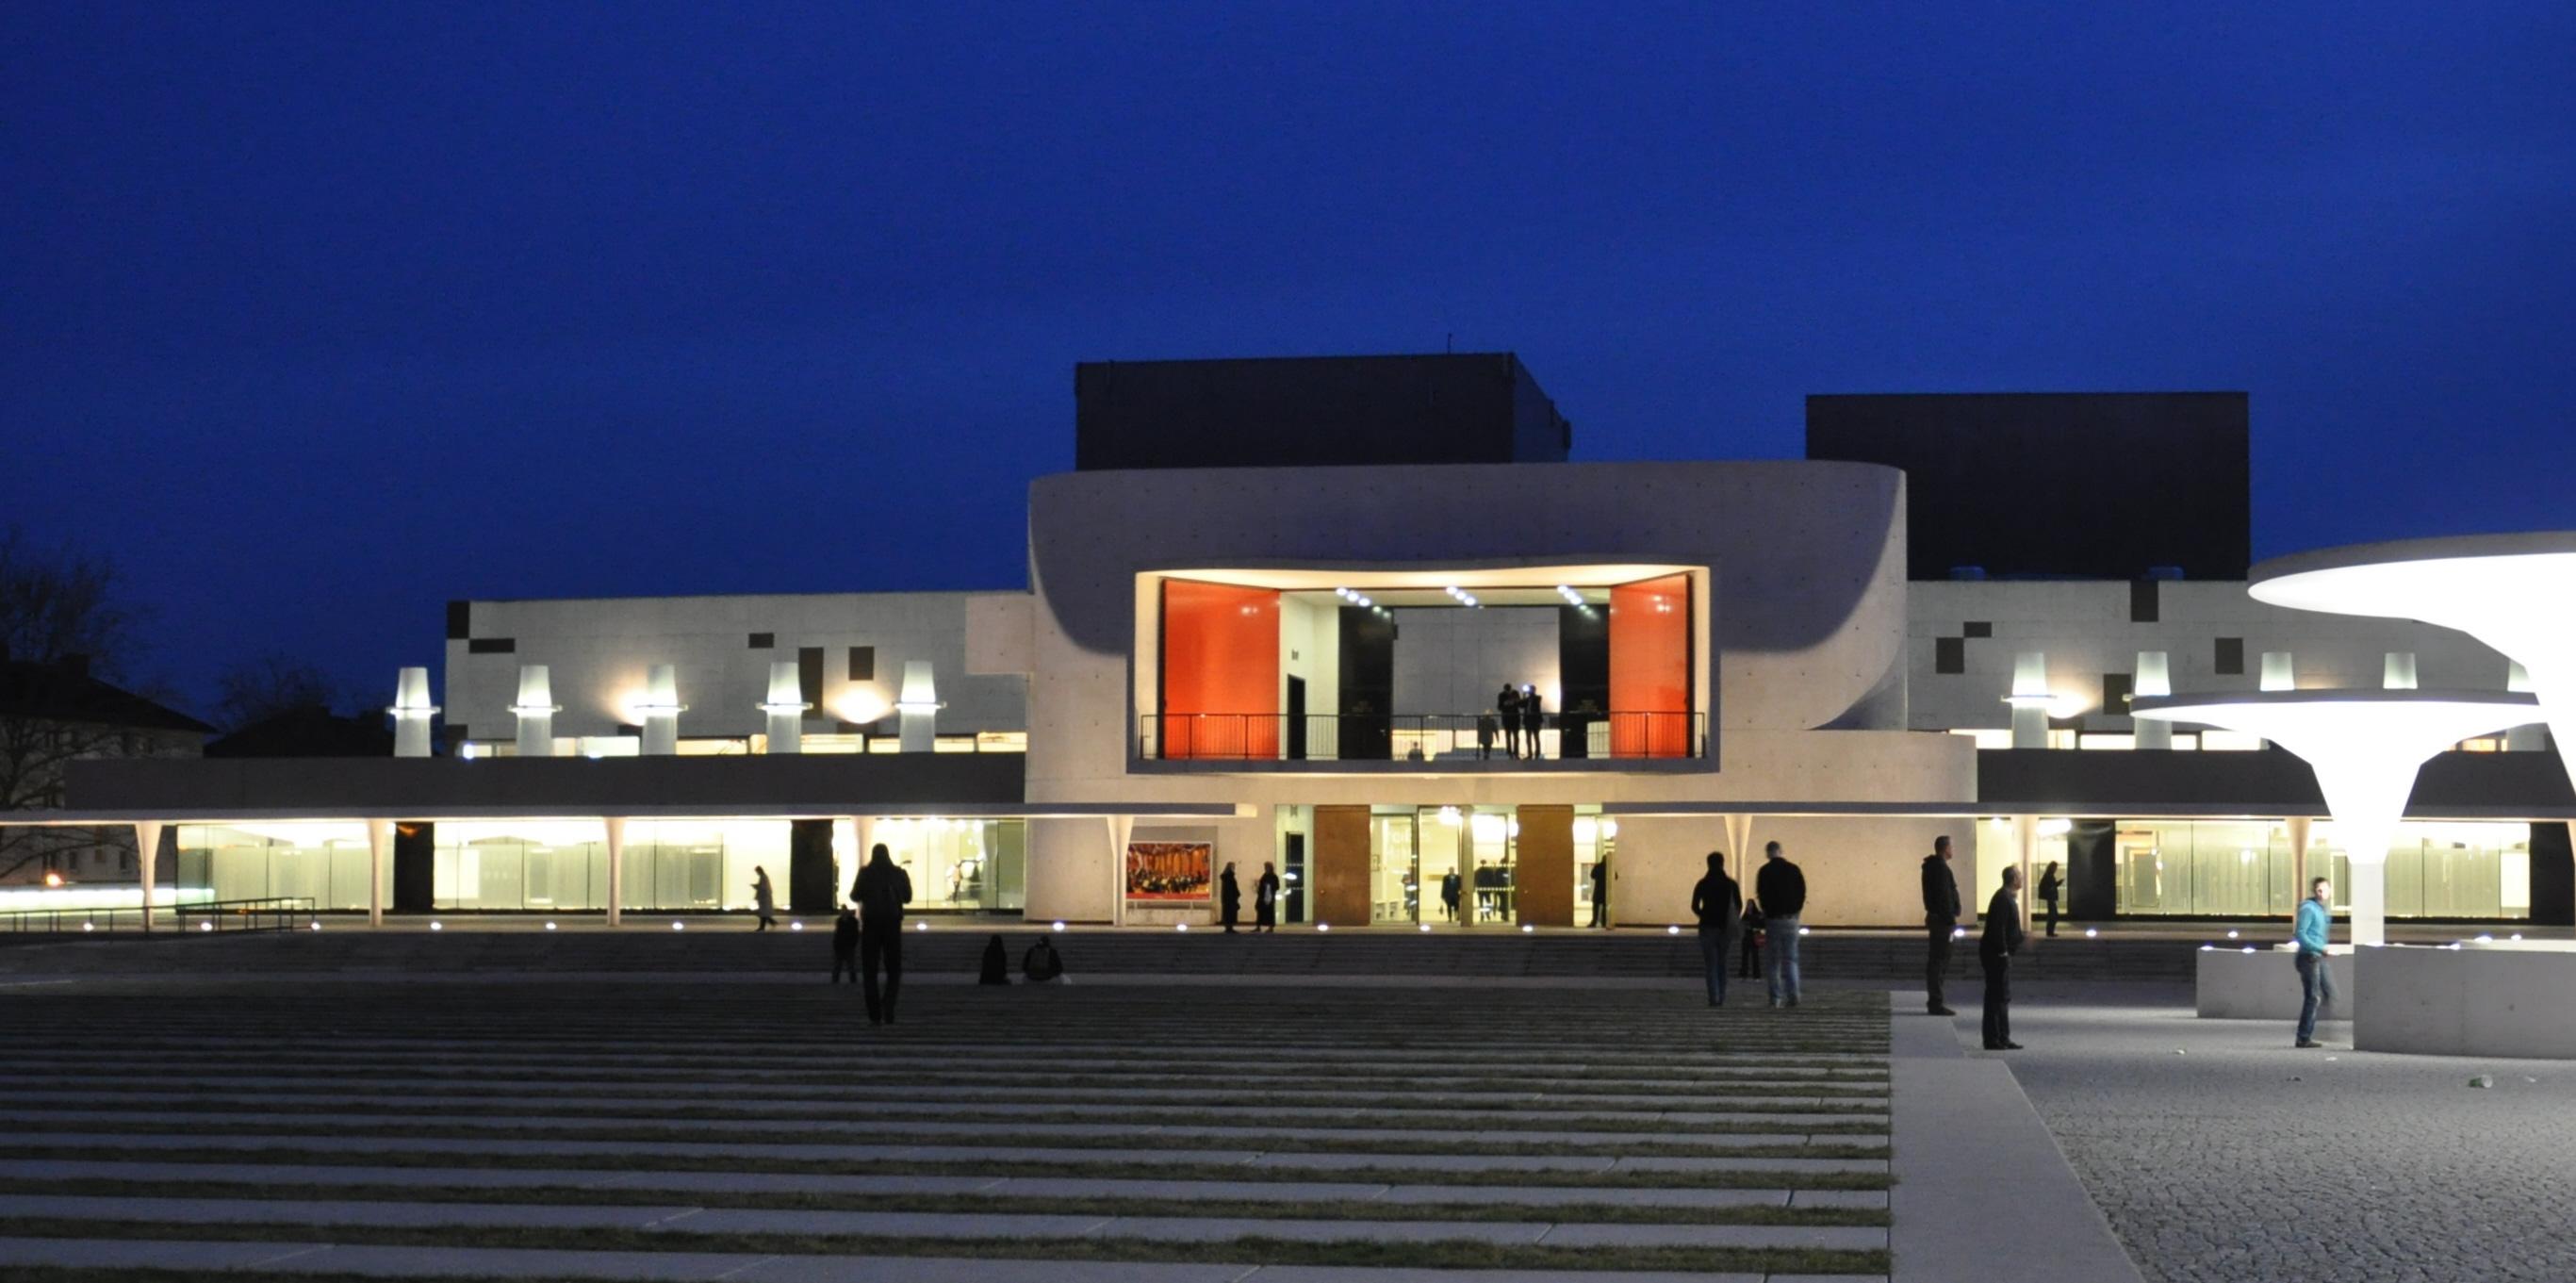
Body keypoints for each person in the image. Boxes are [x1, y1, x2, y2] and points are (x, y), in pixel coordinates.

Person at [851, 843, 912, 1026]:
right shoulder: (898, 873)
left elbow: (855, 896)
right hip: (892, 925)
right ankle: (889, 1005)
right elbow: (908, 897)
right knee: (894, 970)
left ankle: (874, 1013)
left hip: (871, 925)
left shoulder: (865, 873)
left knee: (870, 972)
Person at [1753, 842, 1806, 1008]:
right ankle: (1794, 995)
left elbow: (1761, 894)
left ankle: (1775, 998)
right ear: (1781, 852)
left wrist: (1767, 911)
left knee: (1773, 962)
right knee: (1791, 960)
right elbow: (1801, 892)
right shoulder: (1794, 869)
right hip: (1791, 919)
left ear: (1768, 853)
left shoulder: (1764, 871)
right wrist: (1796, 912)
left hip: (1773, 920)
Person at [1980, 865, 2026, 1050]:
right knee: (1996, 996)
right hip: (1996, 955)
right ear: (2013, 879)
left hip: (2000, 953)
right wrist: (2003, 951)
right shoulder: (2003, 898)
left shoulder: (2007, 898)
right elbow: (1997, 928)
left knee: (2003, 996)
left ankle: (2003, 1036)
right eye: (2020, 876)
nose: (2022, 879)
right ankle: (1993, 1038)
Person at [1689, 851, 1743, 1007]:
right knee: (1722, 962)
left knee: (1710, 964)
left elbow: (1694, 905)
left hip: (1707, 926)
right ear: (1722, 863)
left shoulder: (1703, 883)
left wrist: (1703, 915)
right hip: (1725, 927)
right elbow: (1739, 905)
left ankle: (1714, 997)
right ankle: (1722, 996)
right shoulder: (1731, 884)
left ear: (1708, 864)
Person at [2294, 877, 2337, 1048]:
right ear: (2314, 891)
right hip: (2309, 957)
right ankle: (2304, 1036)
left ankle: (2312, 1030)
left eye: (2324, 889)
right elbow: (2301, 934)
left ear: (2329, 890)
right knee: (2313, 997)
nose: (2322, 893)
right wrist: (2321, 948)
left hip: (2316, 955)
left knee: (2324, 993)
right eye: (2319, 890)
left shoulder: (2322, 910)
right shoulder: (2309, 909)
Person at [1921, 836, 1961, 1016]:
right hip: (1943, 923)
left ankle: (1935, 1001)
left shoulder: (1931, 867)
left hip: (1937, 920)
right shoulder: (1941, 869)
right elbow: (1945, 896)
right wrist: (1951, 920)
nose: (1954, 849)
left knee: (1937, 961)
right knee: (1939, 961)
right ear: (1945, 848)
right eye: (1952, 846)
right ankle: (1936, 1002)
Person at [1738, 898, 1766, 979]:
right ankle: (1743, 974)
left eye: (1750, 904)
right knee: (1745, 957)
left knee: (1755, 957)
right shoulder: (1745, 915)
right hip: (1746, 936)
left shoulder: (1757, 914)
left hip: (1755, 936)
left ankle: (1756, 975)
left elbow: (1762, 924)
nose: (1749, 906)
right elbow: (1741, 924)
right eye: (1748, 904)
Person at [829, 906, 859, 984]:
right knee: (843, 966)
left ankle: (836, 981)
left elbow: (838, 934)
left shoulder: (842, 921)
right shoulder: (844, 921)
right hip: (843, 946)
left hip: (846, 946)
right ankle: (849, 981)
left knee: (845, 966)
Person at [1496, 684, 1522, 759]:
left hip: (1511, 718)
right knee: (1511, 736)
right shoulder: (1503, 695)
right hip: (1510, 718)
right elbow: (1500, 707)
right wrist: (1506, 704)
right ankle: (1512, 752)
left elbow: (1519, 703)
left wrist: (1513, 702)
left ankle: (1513, 752)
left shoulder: (1505, 694)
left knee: (1512, 736)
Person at [2038, 861, 2062, 938]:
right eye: (2055, 867)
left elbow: (2051, 885)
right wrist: (2056, 884)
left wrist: (2058, 883)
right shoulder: (2049, 876)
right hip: (2050, 898)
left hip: (2050, 898)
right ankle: (2050, 932)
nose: (2056, 869)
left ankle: (2050, 932)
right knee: (2053, 915)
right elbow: (2050, 886)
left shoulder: (2048, 875)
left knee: (2053, 915)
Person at [1519, 685, 1544, 761]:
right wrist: (1524, 695)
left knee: (1536, 737)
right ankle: (1530, 754)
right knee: (1528, 738)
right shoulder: (1526, 699)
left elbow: (1537, 703)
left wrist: (1530, 695)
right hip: (1528, 720)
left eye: (1530, 690)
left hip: (1535, 720)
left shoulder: (1538, 697)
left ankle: (1537, 754)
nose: (1529, 691)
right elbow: (1521, 706)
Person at [1254, 861, 1280, 932]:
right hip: (1262, 896)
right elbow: (1261, 885)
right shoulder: (1264, 875)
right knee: (1260, 910)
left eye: (1266, 867)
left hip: (1270, 896)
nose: (1265, 868)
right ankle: (1258, 926)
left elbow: (1277, 886)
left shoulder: (1274, 877)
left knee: (1270, 912)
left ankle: (1271, 927)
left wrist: (1269, 886)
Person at [751, 865, 777, 931]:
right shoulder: (764, 877)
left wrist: (756, 886)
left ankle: (763, 927)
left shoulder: (763, 877)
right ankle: (771, 922)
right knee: (764, 913)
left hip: (764, 898)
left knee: (763, 913)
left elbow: (763, 888)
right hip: (764, 898)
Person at [1219, 862, 1242, 934]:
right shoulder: (1230, 877)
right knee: (1230, 913)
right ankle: (1229, 927)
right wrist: (1236, 894)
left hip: (1227, 898)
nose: (1234, 868)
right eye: (1233, 867)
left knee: (1228, 913)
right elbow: (1232, 888)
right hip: (1230, 898)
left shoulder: (1226, 877)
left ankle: (1228, 926)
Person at [1589, 856, 1610, 929]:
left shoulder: (1597, 866)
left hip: (1598, 889)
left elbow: (1592, 875)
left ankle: (1594, 922)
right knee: (1605, 907)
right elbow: (1615, 877)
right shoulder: (1610, 867)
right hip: (1606, 890)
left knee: (1595, 907)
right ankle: (1604, 922)